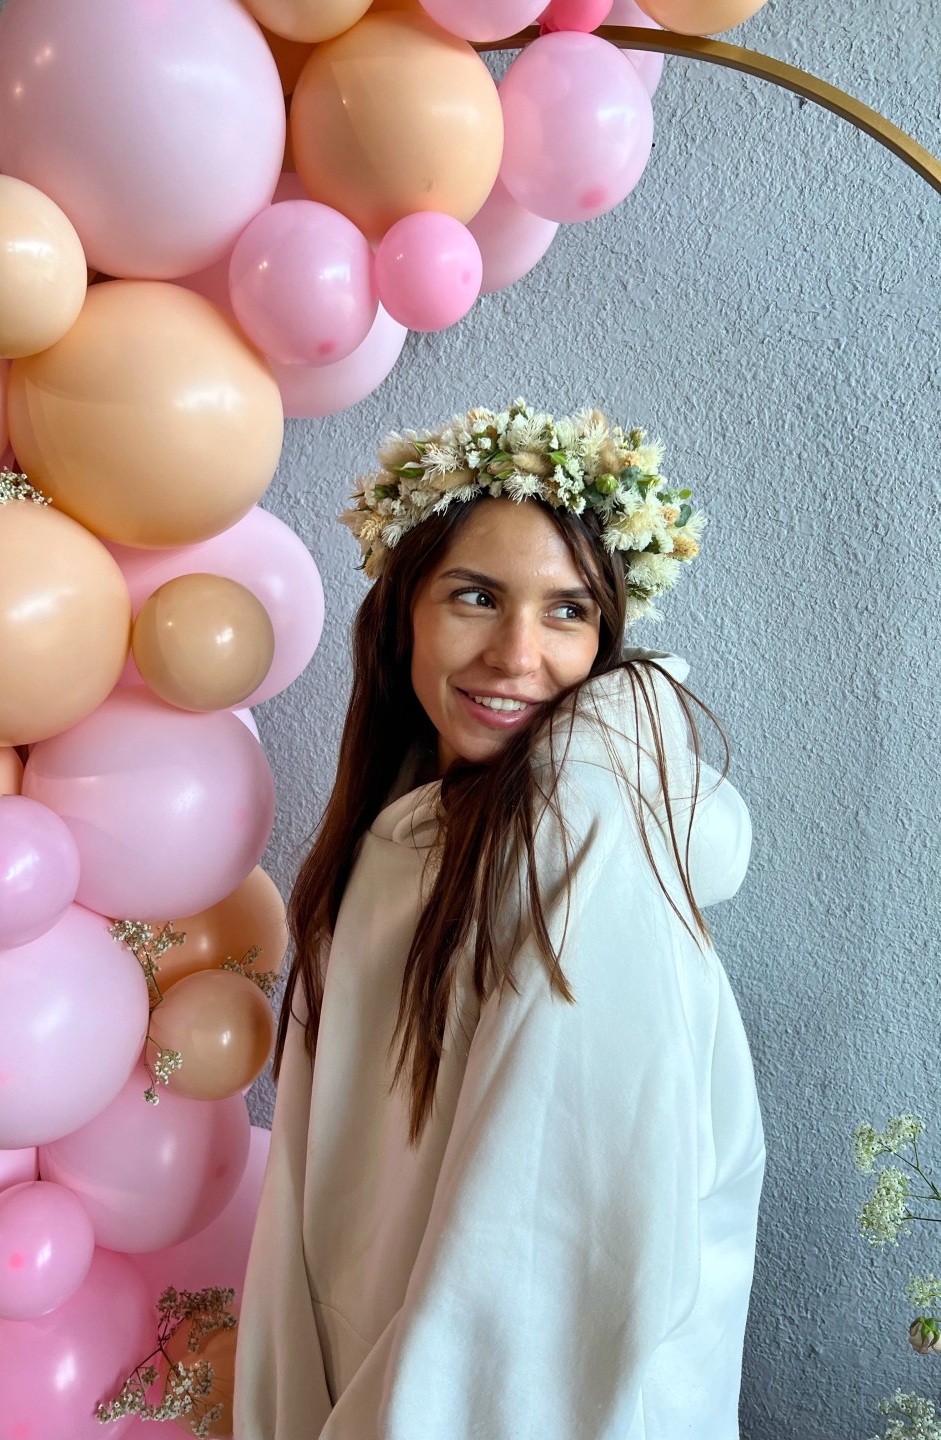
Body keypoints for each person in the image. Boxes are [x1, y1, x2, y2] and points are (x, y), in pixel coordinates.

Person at [233, 400, 765, 1440]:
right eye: (478, 596)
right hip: (374, 1375)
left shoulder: (582, 828)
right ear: (404, 613)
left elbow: (549, 1239)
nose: (520, 654)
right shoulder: (402, 830)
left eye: (568, 611)